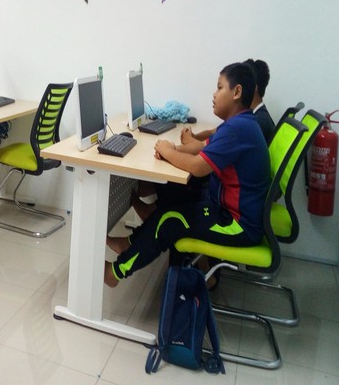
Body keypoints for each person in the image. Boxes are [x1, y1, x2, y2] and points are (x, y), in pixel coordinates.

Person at [105, 61, 270, 287]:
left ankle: (115, 273)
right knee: (174, 202)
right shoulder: (239, 124)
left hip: (238, 225)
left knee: (169, 220)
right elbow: (202, 149)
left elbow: (198, 166)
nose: (214, 94)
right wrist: (171, 149)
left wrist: (168, 151)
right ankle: (131, 243)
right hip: (227, 210)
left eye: (219, 87)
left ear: (237, 92)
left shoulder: (237, 128)